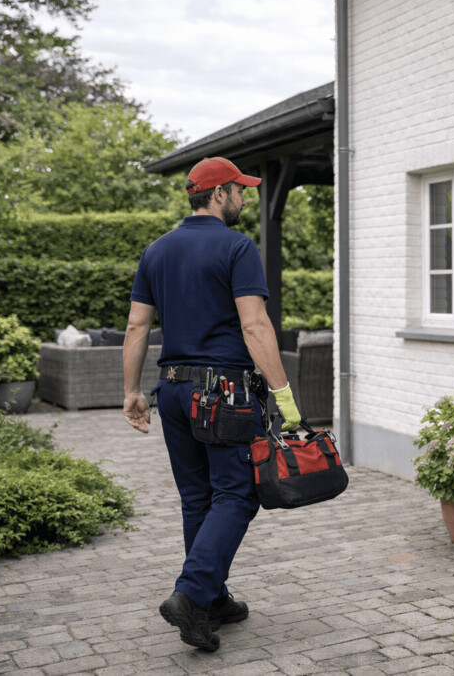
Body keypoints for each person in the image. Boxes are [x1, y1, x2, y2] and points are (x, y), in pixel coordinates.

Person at [122, 156, 302, 652]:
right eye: (240, 190)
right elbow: (255, 325)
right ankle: (192, 595)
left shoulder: (155, 250)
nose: (245, 198)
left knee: (198, 497)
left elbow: (137, 326)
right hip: (223, 392)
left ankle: (212, 599)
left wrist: (131, 391)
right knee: (239, 494)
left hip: (174, 389)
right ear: (218, 193)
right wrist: (284, 393)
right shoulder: (237, 246)